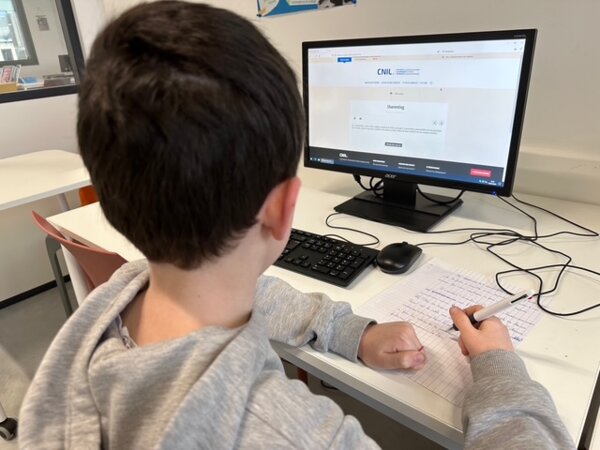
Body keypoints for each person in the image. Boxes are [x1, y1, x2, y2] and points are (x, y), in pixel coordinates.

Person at [19, 2, 573, 449]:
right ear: (286, 208)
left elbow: (248, 293)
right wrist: (500, 369)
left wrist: (352, 333)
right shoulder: (301, 437)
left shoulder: (117, 298)